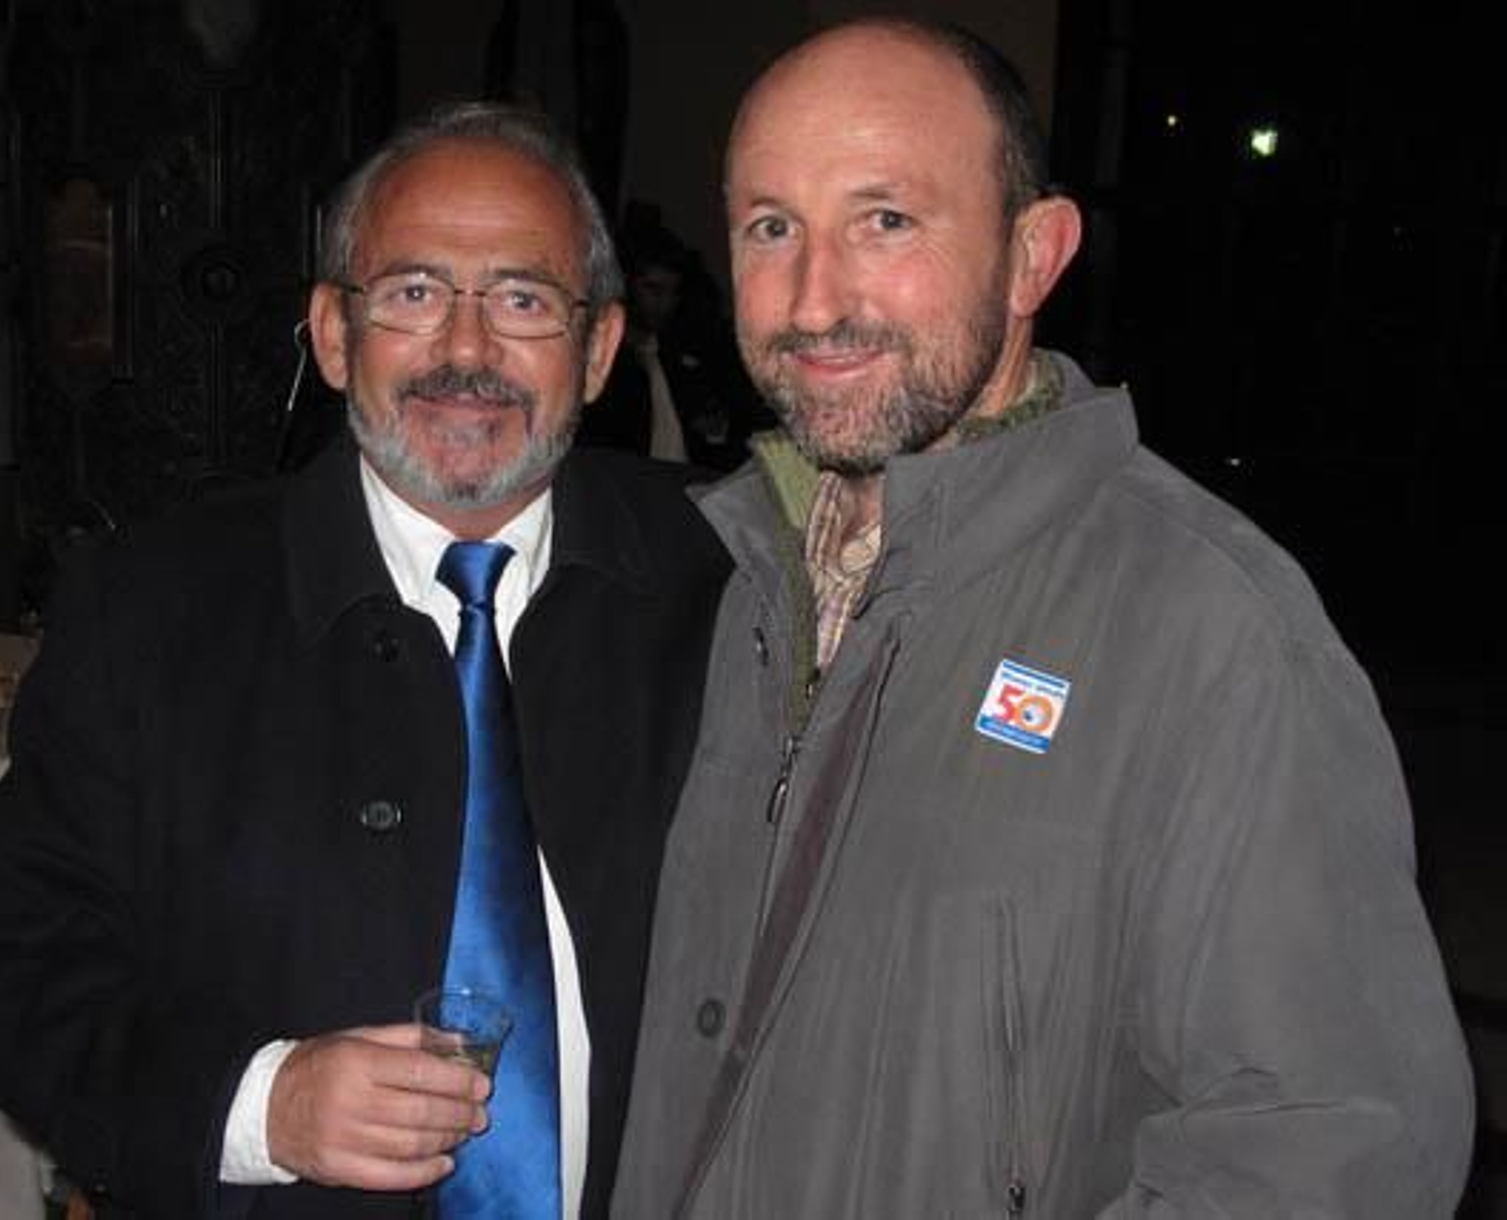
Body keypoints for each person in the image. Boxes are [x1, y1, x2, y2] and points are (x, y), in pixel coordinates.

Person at [612, 18, 1474, 1218]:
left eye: (885, 220)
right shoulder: (717, 576)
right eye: (771, 226)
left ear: (1033, 255)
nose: (814, 299)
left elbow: (1329, 1148)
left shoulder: (1211, 629)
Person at [0, 102, 727, 1220]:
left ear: (599, 349)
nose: (466, 350)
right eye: (412, 292)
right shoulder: (151, 609)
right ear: (329, 332)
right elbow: (16, 977)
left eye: (521, 299)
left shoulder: (721, 573)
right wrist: (264, 1104)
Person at [577, 211, 768, 472]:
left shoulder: (682, 353)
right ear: (626, 285)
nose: (665, 303)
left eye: (672, 292)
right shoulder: (602, 361)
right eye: (653, 289)